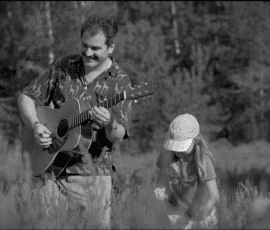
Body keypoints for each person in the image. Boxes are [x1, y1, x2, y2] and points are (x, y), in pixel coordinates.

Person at [17, 12, 132, 229]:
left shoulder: (121, 82)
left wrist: (110, 123)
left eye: (95, 48)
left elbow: (118, 135)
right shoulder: (64, 65)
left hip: (93, 178)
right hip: (49, 172)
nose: (88, 53)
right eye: (84, 45)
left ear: (111, 47)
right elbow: (27, 97)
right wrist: (35, 125)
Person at [154, 113, 220, 229]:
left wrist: (205, 209)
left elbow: (214, 196)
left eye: (180, 146)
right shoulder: (166, 156)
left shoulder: (204, 161)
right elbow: (160, 181)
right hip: (175, 211)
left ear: (196, 140)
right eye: (174, 145)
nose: (177, 150)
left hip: (202, 213)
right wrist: (159, 191)